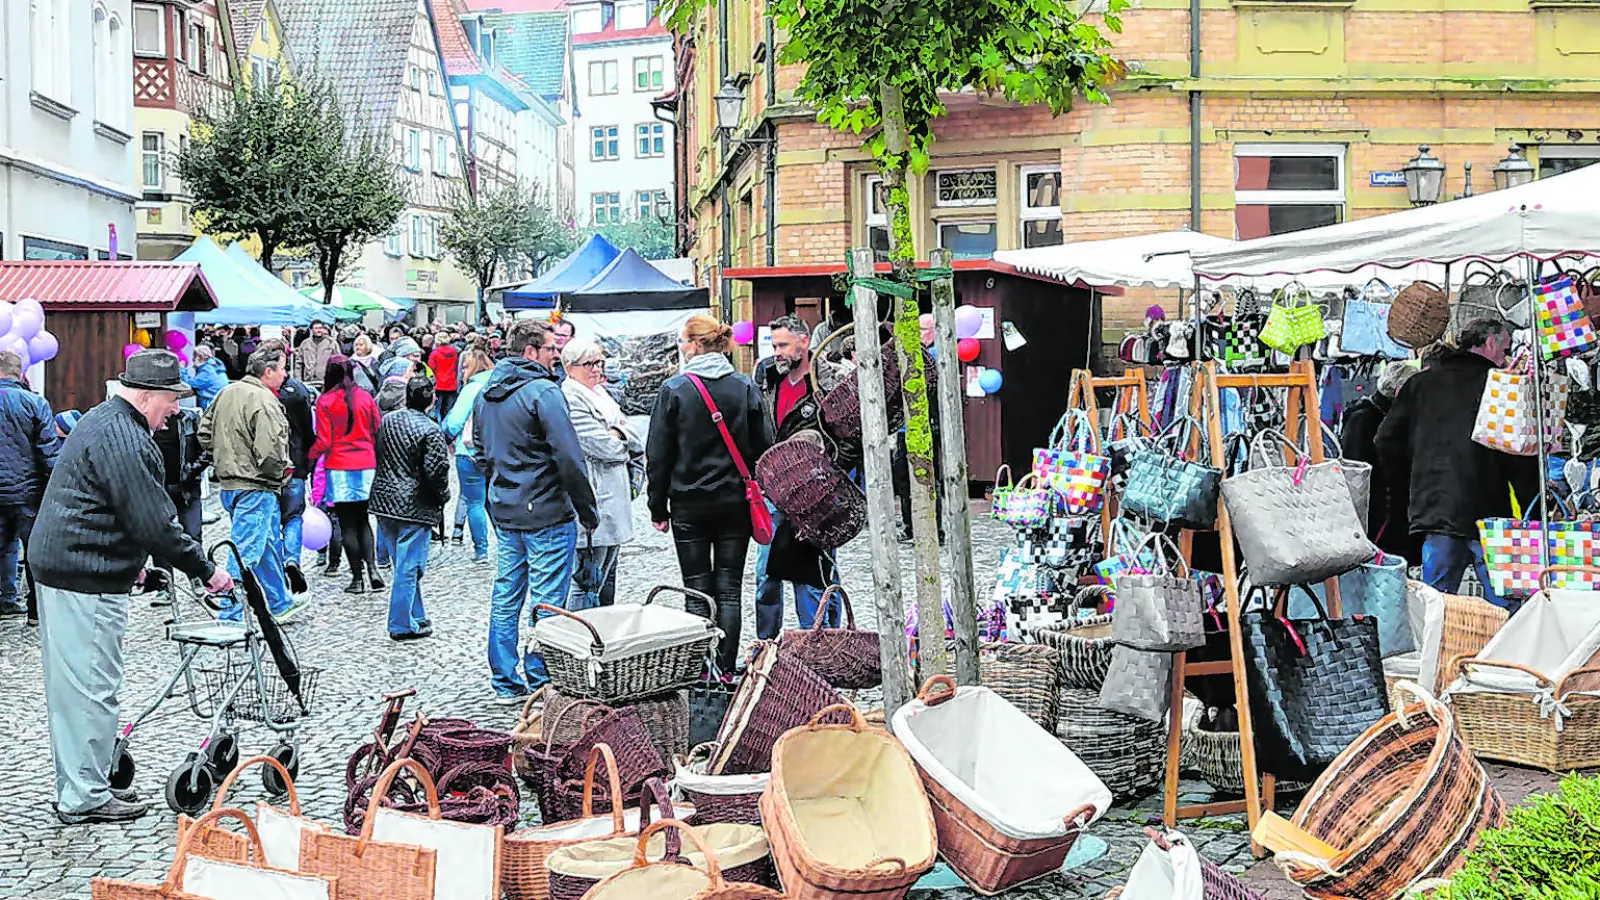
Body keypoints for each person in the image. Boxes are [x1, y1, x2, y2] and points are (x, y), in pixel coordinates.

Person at [31, 350, 233, 824]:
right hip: (84, 574)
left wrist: (133, 562)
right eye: (171, 398)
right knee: (91, 687)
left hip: (70, 565)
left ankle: (81, 785)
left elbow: (110, 507)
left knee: (74, 686)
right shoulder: (125, 437)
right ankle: (84, 795)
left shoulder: (105, 421)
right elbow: (156, 523)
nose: (176, 409)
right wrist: (206, 570)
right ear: (146, 396)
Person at [1375, 319, 1541, 610]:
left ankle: (1437, 655)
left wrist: (1413, 479)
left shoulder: (1420, 382)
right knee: (1503, 604)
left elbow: (1385, 440)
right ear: (1491, 343)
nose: (1508, 354)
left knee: (1436, 605)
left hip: (1436, 506)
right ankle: (1501, 654)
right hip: (1489, 512)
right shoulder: (1501, 385)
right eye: (1506, 346)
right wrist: (1534, 506)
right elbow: (1519, 453)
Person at [476, 320, 598, 702]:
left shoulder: (487, 392)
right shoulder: (543, 392)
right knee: (547, 598)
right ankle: (540, 678)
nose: (556, 357)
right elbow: (569, 455)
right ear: (531, 351)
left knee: (507, 591)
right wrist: (587, 508)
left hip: (506, 507)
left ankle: (503, 677)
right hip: (545, 508)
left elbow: (479, 450)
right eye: (551, 350)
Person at [648, 315, 772, 675]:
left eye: (685, 342)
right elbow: (764, 447)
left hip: (689, 504)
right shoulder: (745, 387)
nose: (682, 348)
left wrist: (657, 507)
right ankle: (728, 667)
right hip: (735, 503)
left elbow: (658, 455)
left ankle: (704, 670)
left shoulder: (675, 390)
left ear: (696, 345)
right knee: (729, 588)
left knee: (697, 589)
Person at [751, 315, 843, 639]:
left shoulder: (827, 382)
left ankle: (819, 642)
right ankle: (767, 644)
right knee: (766, 574)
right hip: (773, 489)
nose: (776, 352)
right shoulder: (766, 377)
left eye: (783, 345)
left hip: (815, 494)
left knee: (814, 576)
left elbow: (844, 439)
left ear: (804, 343)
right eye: (774, 345)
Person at [199, 346, 300, 622]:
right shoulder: (263, 399)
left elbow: (204, 432)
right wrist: (277, 475)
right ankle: (229, 614)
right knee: (246, 550)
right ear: (268, 372)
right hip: (255, 484)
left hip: (231, 483)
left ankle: (280, 601)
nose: (285, 374)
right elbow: (270, 451)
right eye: (282, 368)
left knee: (262, 541)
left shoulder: (226, 392)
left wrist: (224, 455)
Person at [562, 338, 644, 609]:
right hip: (596, 496)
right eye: (590, 364)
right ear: (570, 367)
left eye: (599, 362)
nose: (597, 369)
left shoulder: (600, 394)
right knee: (587, 579)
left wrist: (619, 432)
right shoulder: (571, 396)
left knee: (604, 574)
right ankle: (581, 633)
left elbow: (633, 434)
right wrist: (622, 438)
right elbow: (603, 446)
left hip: (612, 494)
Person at [371, 376, 451, 641]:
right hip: (414, 503)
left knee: (404, 563)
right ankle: (401, 623)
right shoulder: (430, 429)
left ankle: (415, 614)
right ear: (432, 399)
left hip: (385, 498)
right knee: (409, 566)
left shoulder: (389, 420)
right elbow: (436, 471)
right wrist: (442, 495)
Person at [310, 356, 384, 594]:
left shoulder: (326, 401)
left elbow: (323, 440)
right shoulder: (365, 397)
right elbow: (377, 428)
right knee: (363, 521)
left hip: (339, 466)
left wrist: (308, 457)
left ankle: (357, 578)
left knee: (347, 524)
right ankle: (373, 569)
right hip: (366, 464)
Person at [0, 350, 59, 622]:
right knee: (35, 550)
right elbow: (47, 451)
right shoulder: (35, 403)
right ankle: (36, 610)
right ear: (19, 373)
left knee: (4, 548)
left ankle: (5, 600)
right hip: (29, 490)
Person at [1341, 361, 1419, 561]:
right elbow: (1359, 469)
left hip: (1387, 508)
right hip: (1379, 511)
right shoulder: (1365, 419)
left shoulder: (1374, 414)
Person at [442, 347, 495, 558]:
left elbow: (454, 422)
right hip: (496, 450)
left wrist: (445, 432)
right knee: (494, 501)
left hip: (469, 450)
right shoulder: (499, 384)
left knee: (475, 502)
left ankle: (481, 550)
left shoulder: (472, 388)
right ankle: (507, 544)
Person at [276, 356, 316, 592]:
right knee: (292, 517)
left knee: (272, 517)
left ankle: (274, 566)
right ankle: (291, 559)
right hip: (296, 461)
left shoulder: (257, 392)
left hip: (269, 466)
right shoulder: (298, 391)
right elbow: (307, 429)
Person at [294, 321, 337, 389]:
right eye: (316, 328)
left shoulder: (331, 343)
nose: (319, 330)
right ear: (311, 330)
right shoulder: (305, 344)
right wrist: (298, 380)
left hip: (326, 382)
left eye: (320, 328)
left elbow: (339, 361)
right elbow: (298, 363)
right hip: (308, 382)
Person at [429, 336, 460, 421]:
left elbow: (431, 368)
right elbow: (457, 367)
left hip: (438, 385)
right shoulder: (454, 352)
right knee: (448, 409)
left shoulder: (434, 353)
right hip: (451, 384)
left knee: (436, 408)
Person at [188, 344, 229, 409]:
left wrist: (181, 369)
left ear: (202, 357)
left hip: (212, 405)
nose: (193, 359)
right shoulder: (215, 365)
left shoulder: (208, 370)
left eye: (195, 356)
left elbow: (191, 384)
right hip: (220, 403)